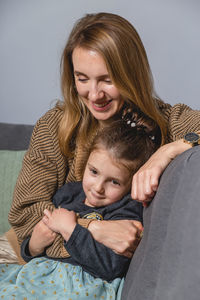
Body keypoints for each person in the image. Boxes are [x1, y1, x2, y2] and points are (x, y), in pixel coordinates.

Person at [0, 11, 200, 299]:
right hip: (33, 260)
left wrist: (168, 151)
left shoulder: (166, 122)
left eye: (107, 80)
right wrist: (95, 229)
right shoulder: (54, 126)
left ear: (131, 74)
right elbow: (26, 218)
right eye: (82, 79)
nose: (94, 95)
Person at [0, 120, 155, 297]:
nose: (98, 188)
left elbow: (111, 267)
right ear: (86, 163)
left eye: (114, 182)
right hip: (39, 274)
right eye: (94, 172)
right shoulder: (69, 193)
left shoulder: (125, 210)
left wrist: (71, 229)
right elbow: (35, 250)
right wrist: (33, 246)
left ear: (131, 183)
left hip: (81, 285)